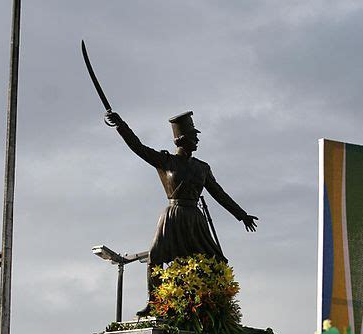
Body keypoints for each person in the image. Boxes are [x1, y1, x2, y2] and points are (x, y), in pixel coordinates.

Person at [104, 110, 258, 314]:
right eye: (194, 136)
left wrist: (242, 215)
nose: (197, 140)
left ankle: (214, 305)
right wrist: (121, 126)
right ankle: (155, 303)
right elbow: (138, 147)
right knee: (155, 258)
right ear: (181, 139)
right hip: (172, 217)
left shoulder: (202, 168)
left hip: (194, 218)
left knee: (215, 260)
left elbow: (219, 194)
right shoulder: (166, 161)